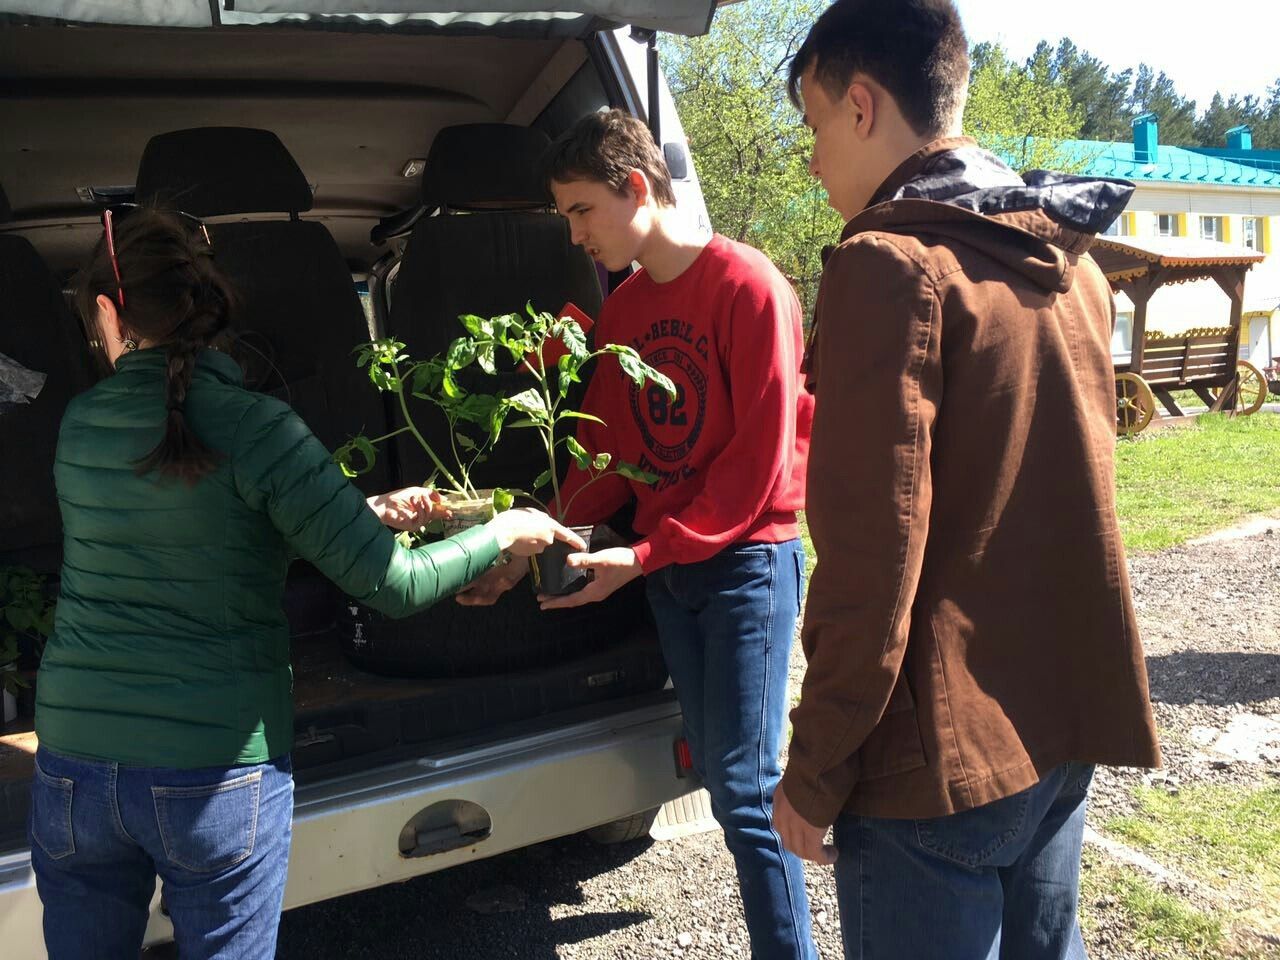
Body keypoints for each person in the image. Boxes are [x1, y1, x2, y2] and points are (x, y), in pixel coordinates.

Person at [28, 206, 581, 960]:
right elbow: (396, 585)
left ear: (108, 313)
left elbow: (192, 545)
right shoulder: (262, 426)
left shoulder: (80, 422)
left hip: (73, 769)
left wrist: (345, 514)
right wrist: (503, 530)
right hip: (214, 769)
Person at [771, 2, 1163, 958]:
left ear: (862, 106)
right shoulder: (1071, 267)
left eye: (815, 126)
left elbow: (873, 559)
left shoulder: (887, 263)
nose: (813, 161)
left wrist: (812, 770)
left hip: (934, 770)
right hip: (1059, 730)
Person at [462, 109, 818, 959]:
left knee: (743, 788)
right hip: (669, 575)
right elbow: (607, 456)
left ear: (634, 188)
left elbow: (757, 467)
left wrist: (646, 554)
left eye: (582, 211)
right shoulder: (623, 311)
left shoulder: (750, 286)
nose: (576, 235)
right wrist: (528, 546)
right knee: (723, 775)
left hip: (746, 566)